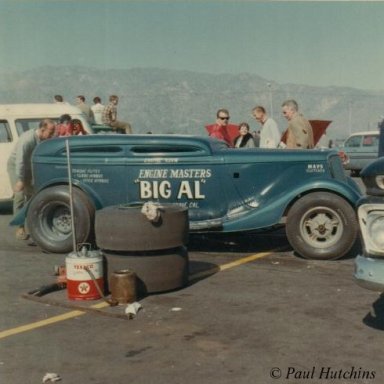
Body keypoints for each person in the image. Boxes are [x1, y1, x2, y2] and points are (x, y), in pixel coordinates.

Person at [7, 119, 56, 239]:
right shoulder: (27, 139)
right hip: (16, 166)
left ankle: (33, 227)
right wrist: (20, 180)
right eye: (51, 132)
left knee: (32, 195)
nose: (52, 135)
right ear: (43, 129)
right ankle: (20, 227)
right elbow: (20, 161)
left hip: (29, 166)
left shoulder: (44, 139)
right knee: (19, 195)